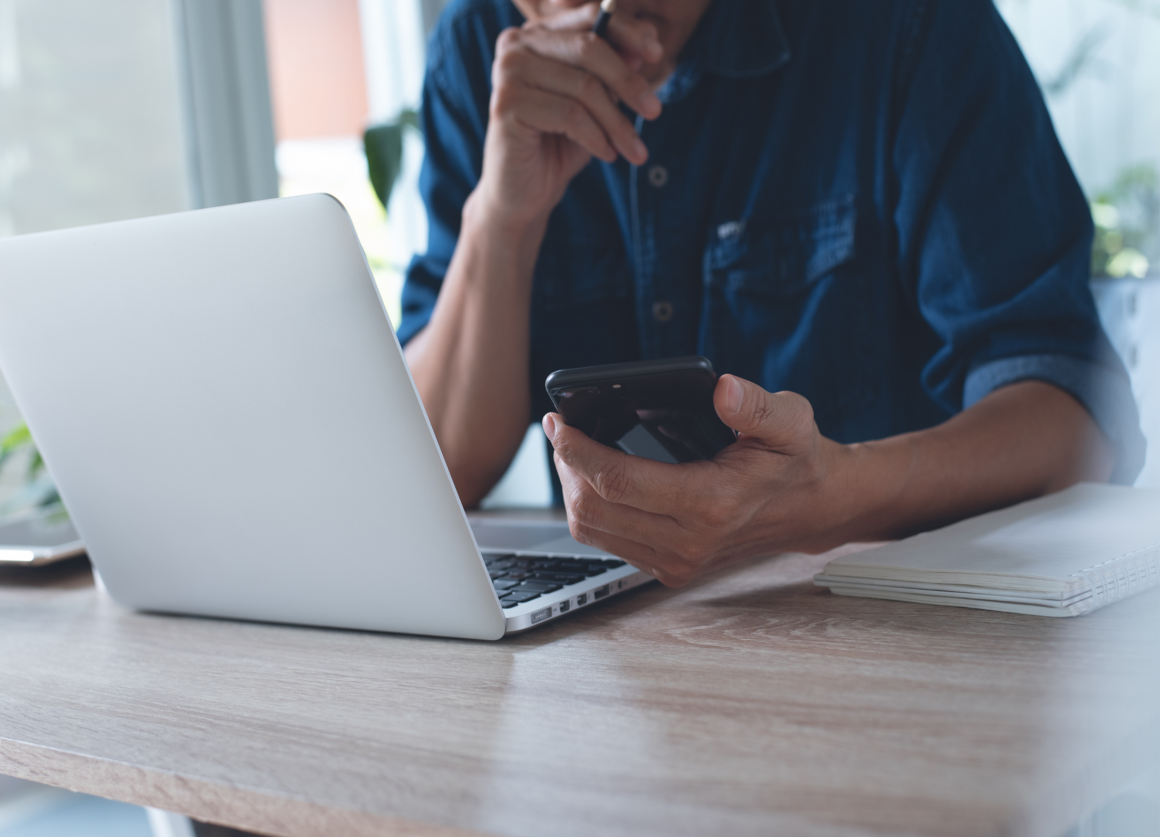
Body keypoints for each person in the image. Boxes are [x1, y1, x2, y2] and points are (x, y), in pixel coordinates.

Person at [398, 0, 1144, 586]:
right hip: (615, 665)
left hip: (896, 637)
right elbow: (435, 470)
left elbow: (1073, 421)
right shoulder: (481, 48)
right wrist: (501, 216)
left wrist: (837, 492)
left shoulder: (908, 23)